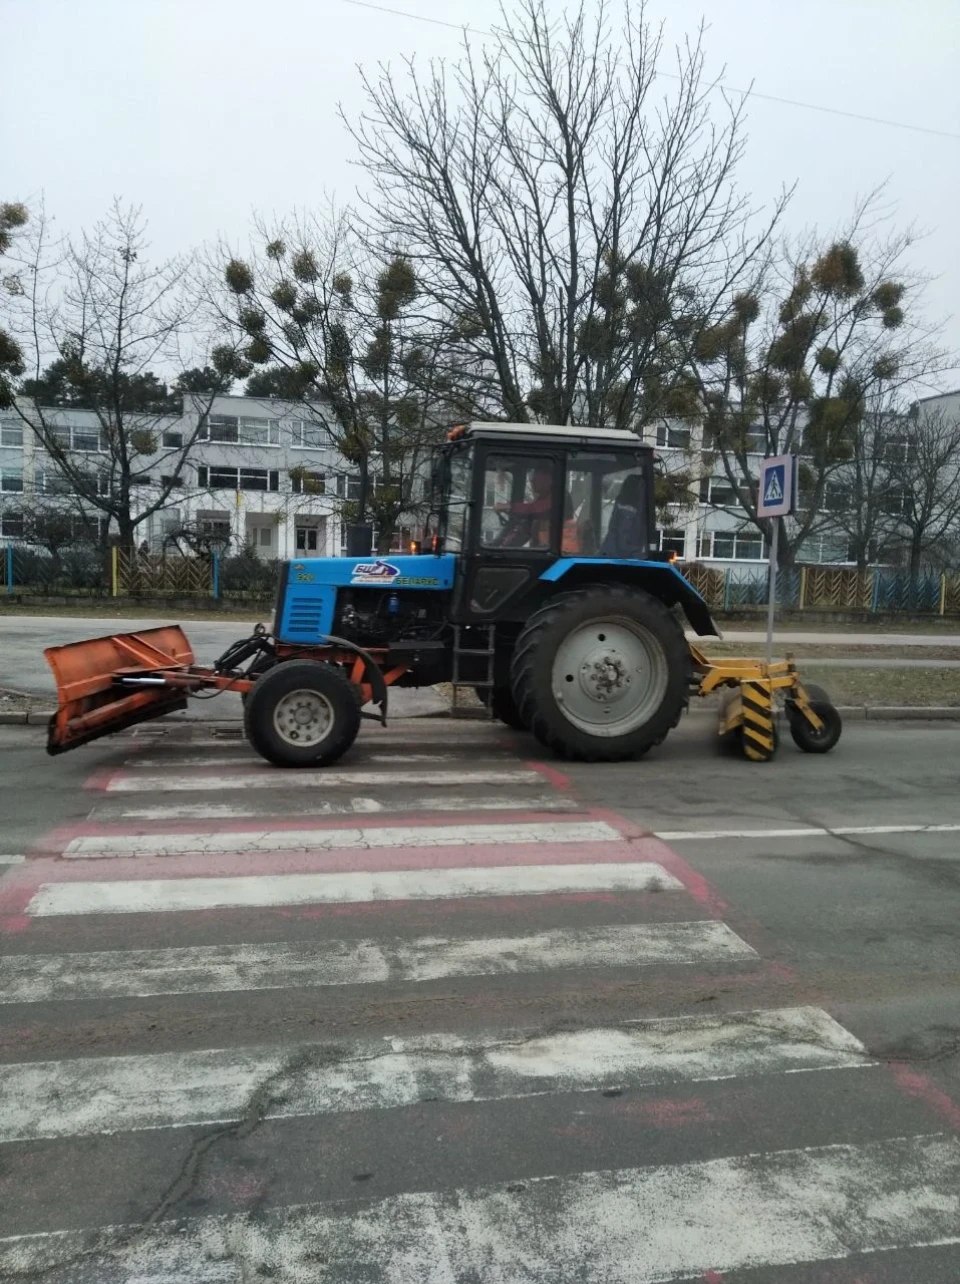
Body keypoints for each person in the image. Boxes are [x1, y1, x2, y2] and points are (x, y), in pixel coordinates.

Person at [495, 466, 553, 548]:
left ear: (548, 478)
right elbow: (526, 526)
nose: (531, 480)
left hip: (561, 550)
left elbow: (536, 510)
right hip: (542, 548)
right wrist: (502, 546)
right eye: (531, 477)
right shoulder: (543, 497)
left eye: (535, 476)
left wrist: (510, 507)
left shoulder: (558, 495)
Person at [601, 473, 646, 558]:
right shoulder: (626, 512)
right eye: (642, 487)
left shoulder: (625, 508)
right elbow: (625, 541)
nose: (643, 491)